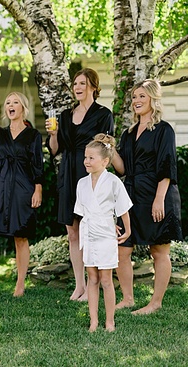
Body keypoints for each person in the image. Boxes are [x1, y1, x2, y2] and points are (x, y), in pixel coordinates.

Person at [112, 79, 183, 315]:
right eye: (133, 97)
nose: (136, 101)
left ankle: (155, 302)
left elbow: (167, 166)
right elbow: (123, 169)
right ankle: (128, 298)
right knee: (122, 247)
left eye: (141, 96)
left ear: (153, 98)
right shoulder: (129, 133)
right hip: (131, 195)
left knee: (159, 250)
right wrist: (111, 150)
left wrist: (159, 199)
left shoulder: (164, 130)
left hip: (157, 193)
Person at [46, 68, 114, 301]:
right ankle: (79, 285)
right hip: (68, 173)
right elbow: (55, 149)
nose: (77, 87)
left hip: (90, 176)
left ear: (93, 86)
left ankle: (93, 284)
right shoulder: (65, 116)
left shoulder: (104, 114)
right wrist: (53, 134)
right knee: (72, 233)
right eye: (75, 83)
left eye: (82, 83)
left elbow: (106, 148)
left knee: (91, 231)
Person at [0, 87, 44, 300]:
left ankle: (20, 285)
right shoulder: (0, 134)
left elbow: (37, 164)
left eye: (15, 102)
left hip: (23, 187)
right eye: (8, 103)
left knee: (20, 237)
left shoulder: (32, 135)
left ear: (23, 108)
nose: (10, 106)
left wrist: (38, 188)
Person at [75, 134, 132, 332]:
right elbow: (84, 210)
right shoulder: (81, 183)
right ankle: (93, 321)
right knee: (92, 278)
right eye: (85, 157)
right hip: (89, 234)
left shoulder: (114, 181)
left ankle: (109, 321)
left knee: (106, 279)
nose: (86, 161)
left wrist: (126, 228)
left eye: (91, 158)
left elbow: (123, 207)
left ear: (105, 161)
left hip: (106, 236)